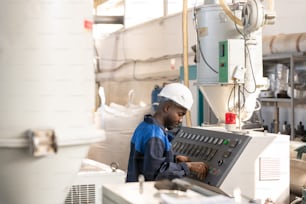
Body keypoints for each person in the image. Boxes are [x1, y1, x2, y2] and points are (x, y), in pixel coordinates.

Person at [126, 83, 209, 182]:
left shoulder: (146, 126)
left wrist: (174, 159)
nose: (181, 120)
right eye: (180, 114)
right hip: (145, 193)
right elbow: (156, 174)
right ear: (167, 107)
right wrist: (188, 166)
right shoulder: (155, 135)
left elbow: (148, 160)